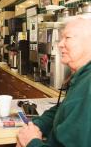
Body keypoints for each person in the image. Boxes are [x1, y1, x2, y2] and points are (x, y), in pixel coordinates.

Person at [17, 16, 91, 147]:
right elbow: (62, 110)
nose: (60, 44)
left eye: (67, 38)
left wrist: (32, 142)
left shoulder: (88, 86)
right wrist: (36, 125)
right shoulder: (81, 77)